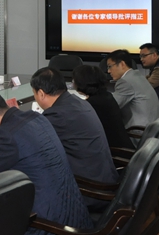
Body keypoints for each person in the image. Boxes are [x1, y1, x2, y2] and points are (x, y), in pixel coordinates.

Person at [0, 85, 92, 235]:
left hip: (48, 228)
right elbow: (24, 146)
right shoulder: (35, 117)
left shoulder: (5, 135)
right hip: (75, 218)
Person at [31, 67, 119, 210]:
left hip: (90, 191)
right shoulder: (78, 102)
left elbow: (31, 142)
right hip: (104, 181)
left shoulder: (57, 114)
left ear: (41, 93)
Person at [72, 65, 134, 149]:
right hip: (121, 146)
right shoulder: (106, 96)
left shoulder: (91, 105)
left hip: (115, 151)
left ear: (81, 82)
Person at [107, 49, 159, 130]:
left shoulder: (125, 81)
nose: (108, 71)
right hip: (153, 127)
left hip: (139, 131)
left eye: (110, 66)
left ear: (122, 64)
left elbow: (111, 106)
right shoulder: (137, 75)